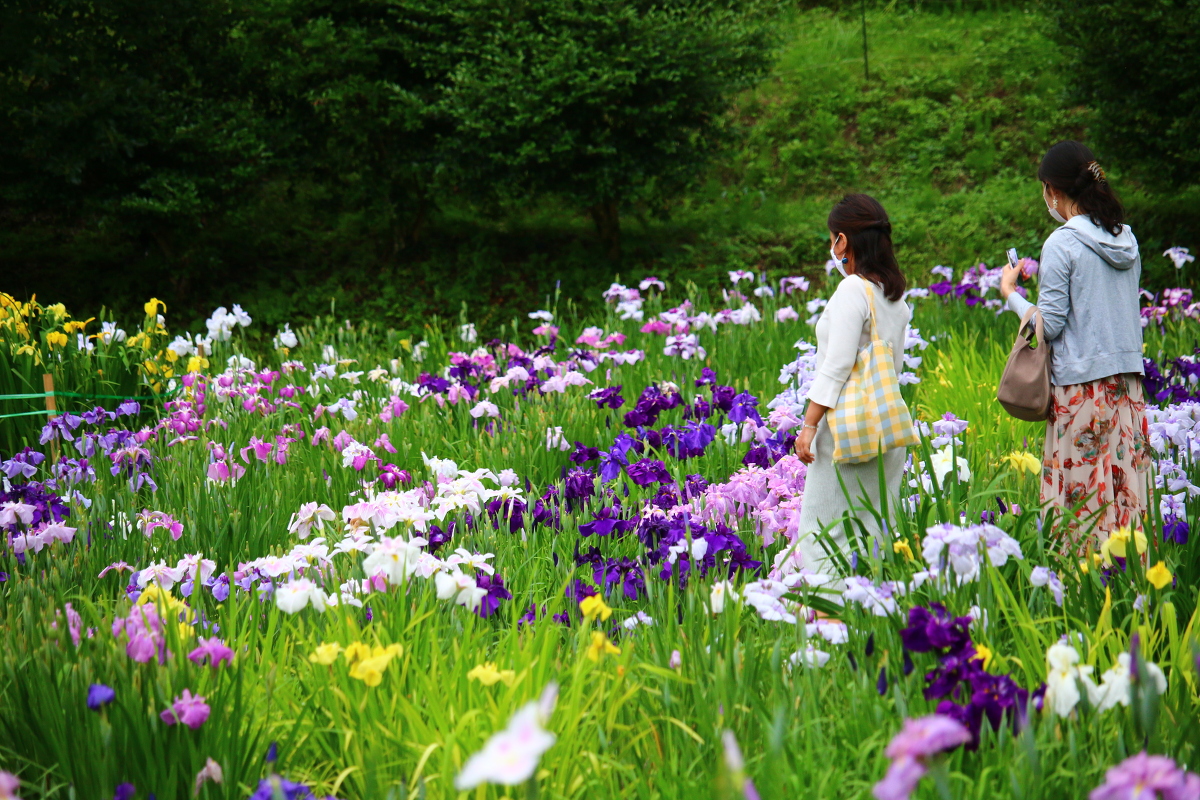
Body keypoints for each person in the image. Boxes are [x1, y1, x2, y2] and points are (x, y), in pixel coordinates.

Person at [999, 140, 1150, 549]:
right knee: (1126, 500)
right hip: (1128, 390)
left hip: (1081, 391)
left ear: (1054, 191)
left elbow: (1050, 326)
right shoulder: (1127, 241)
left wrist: (1011, 294)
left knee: (1080, 505)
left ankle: (1080, 593)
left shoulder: (1062, 243)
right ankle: (1129, 588)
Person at [793, 193, 912, 572]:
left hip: (848, 431)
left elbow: (836, 367)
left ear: (842, 241)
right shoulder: (894, 297)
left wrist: (809, 425)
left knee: (822, 536)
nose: (832, 248)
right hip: (886, 431)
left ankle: (826, 622)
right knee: (874, 535)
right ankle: (867, 613)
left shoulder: (852, 290)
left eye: (832, 240)